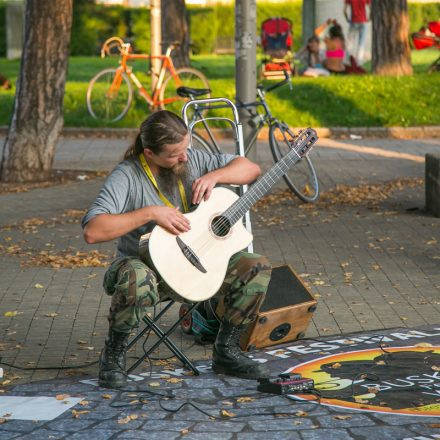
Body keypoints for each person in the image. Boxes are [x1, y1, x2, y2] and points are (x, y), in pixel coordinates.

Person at [81, 110, 272, 388]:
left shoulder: (191, 158)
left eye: (186, 147)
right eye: (173, 154)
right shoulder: (128, 175)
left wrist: (215, 176)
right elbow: (92, 230)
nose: (184, 157)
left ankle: (227, 352)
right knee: (137, 277)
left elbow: (251, 169)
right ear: (149, 153)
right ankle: (113, 355)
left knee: (256, 266)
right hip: (146, 270)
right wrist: (149, 213)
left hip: (197, 270)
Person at [344, 0, 371, 66]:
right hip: (363, 21)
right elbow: (371, 8)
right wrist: (369, 18)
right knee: (361, 43)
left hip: (353, 21)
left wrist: (347, 18)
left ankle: (347, 62)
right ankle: (359, 63)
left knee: (350, 43)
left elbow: (344, 10)